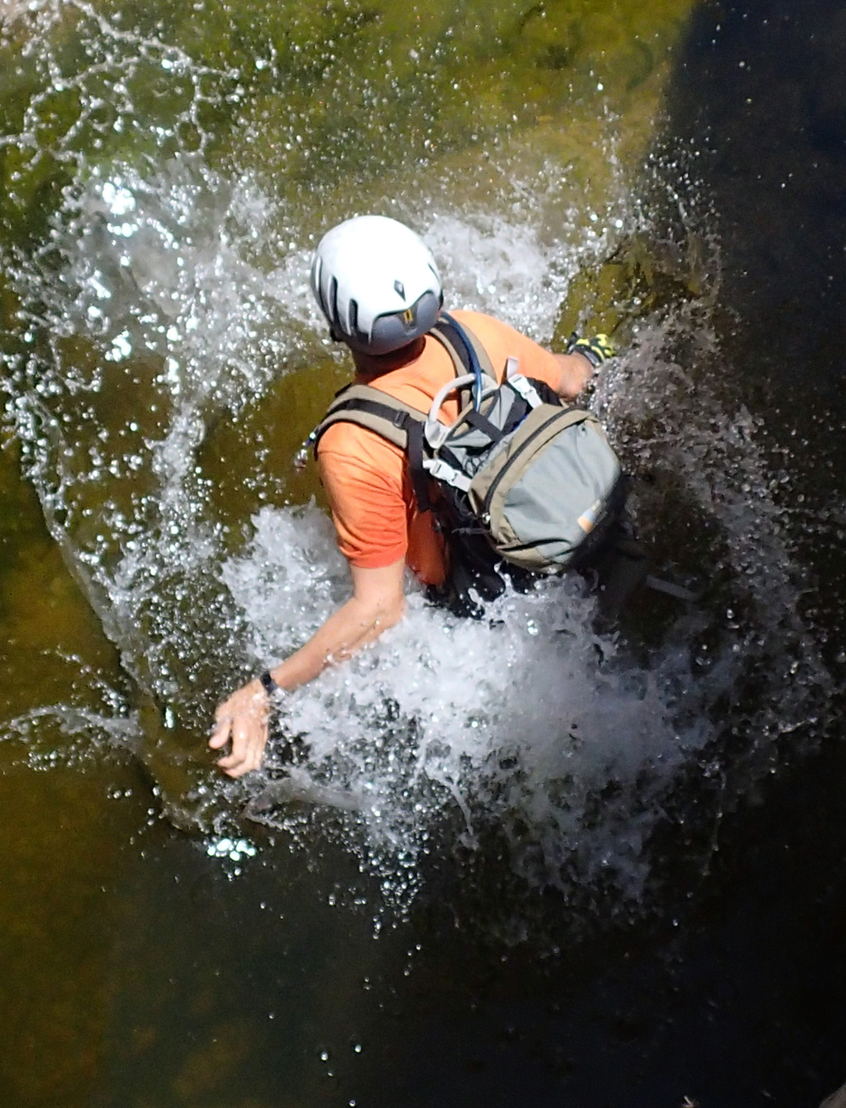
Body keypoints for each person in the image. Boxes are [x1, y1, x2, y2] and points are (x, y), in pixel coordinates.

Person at [208, 216, 608, 779]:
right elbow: (570, 379)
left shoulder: (352, 443)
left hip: (487, 605)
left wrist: (264, 690)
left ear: (336, 326)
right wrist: (592, 353)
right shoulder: (472, 331)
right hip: (578, 526)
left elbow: (380, 610)